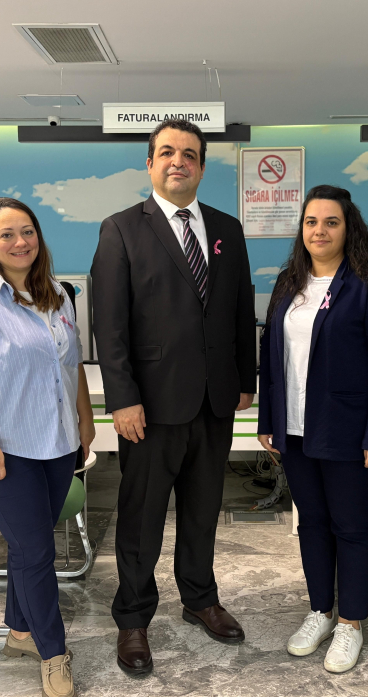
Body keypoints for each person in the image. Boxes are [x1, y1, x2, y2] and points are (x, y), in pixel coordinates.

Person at [91, 119, 257, 676]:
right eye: (166, 152)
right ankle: (133, 618)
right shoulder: (121, 229)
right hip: (150, 406)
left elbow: (240, 310)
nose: (177, 161)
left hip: (214, 400)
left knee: (203, 510)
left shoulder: (227, 229)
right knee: (141, 518)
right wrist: (122, 399)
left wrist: (246, 379)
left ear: (202, 167)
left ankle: (200, 598)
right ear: (150, 164)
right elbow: (109, 324)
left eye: (188, 154)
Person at [0, 197, 94, 697]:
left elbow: (71, 364)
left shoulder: (57, 295)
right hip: (1, 448)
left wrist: (84, 421)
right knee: (37, 549)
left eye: (27, 231)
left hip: (56, 443)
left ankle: (19, 632)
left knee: (30, 544)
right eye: (6, 234)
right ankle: (53, 653)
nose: (20, 242)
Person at [257, 185, 368, 673]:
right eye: (311, 222)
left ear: (348, 228)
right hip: (295, 430)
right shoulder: (288, 283)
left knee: (351, 527)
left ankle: (351, 623)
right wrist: (268, 420)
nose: (319, 231)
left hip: (347, 430)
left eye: (331, 222)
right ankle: (320, 611)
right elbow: (270, 357)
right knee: (312, 524)